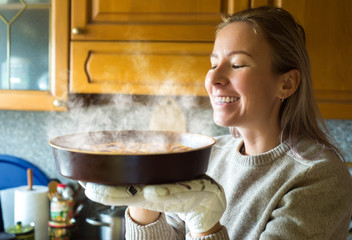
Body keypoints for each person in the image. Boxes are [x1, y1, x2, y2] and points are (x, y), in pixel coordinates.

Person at [81, 6, 352, 239]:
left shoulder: (318, 177)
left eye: (237, 65)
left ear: (287, 83)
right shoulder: (207, 156)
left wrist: (205, 224)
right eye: (213, 64)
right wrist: (143, 204)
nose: (213, 79)